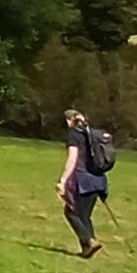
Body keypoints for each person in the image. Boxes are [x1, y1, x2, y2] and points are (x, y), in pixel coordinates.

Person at [58, 109, 107, 259]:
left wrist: (63, 180)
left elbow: (72, 159)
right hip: (98, 180)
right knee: (84, 215)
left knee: (71, 212)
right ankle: (87, 249)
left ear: (69, 120)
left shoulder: (74, 134)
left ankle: (89, 241)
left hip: (83, 180)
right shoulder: (91, 134)